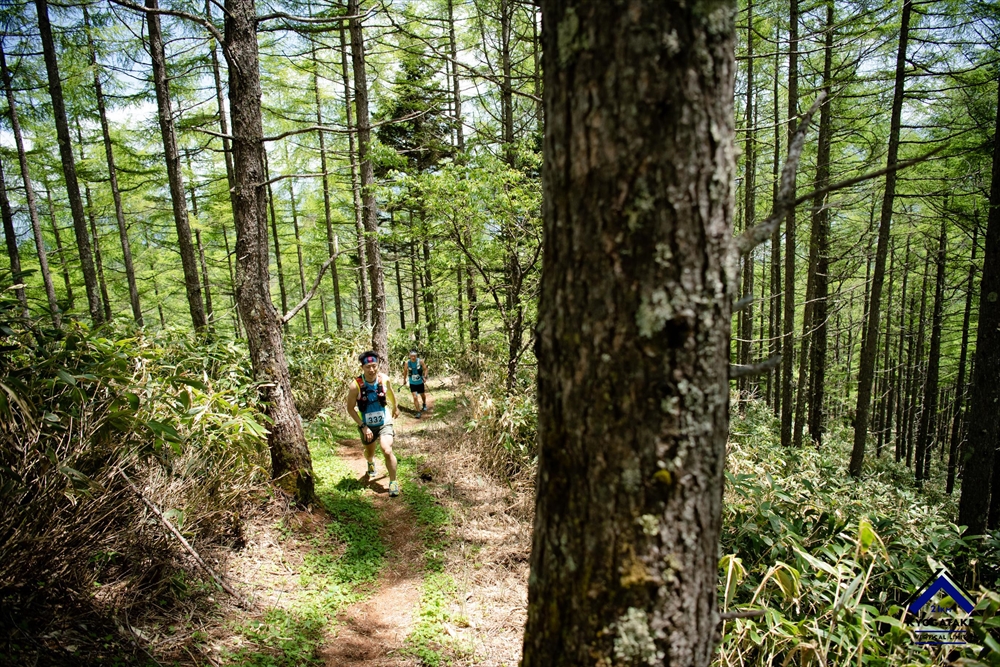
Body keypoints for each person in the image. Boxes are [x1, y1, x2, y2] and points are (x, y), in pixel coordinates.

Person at [346, 350, 401, 497]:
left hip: (384, 422)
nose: (371, 370)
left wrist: (395, 407)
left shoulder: (384, 379)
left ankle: (393, 482)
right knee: (369, 453)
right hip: (366, 425)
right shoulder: (355, 386)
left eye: (374, 366)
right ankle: (370, 462)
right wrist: (363, 426)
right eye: (368, 367)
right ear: (362, 368)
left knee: (387, 450)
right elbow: (350, 409)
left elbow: (390, 393)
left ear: (378, 365)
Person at [403, 349, 428, 417]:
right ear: (409, 356)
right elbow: (405, 372)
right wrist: (404, 380)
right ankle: (418, 412)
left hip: (420, 382)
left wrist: (425, 377)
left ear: (416, 356)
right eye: (412, 356)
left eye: (414, 356)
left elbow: (425, 369)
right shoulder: (407, 363)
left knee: (422, 395)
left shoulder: (420, 361)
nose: (413, 357)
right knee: (415, 397)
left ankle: (424, 404)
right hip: (412, 382)